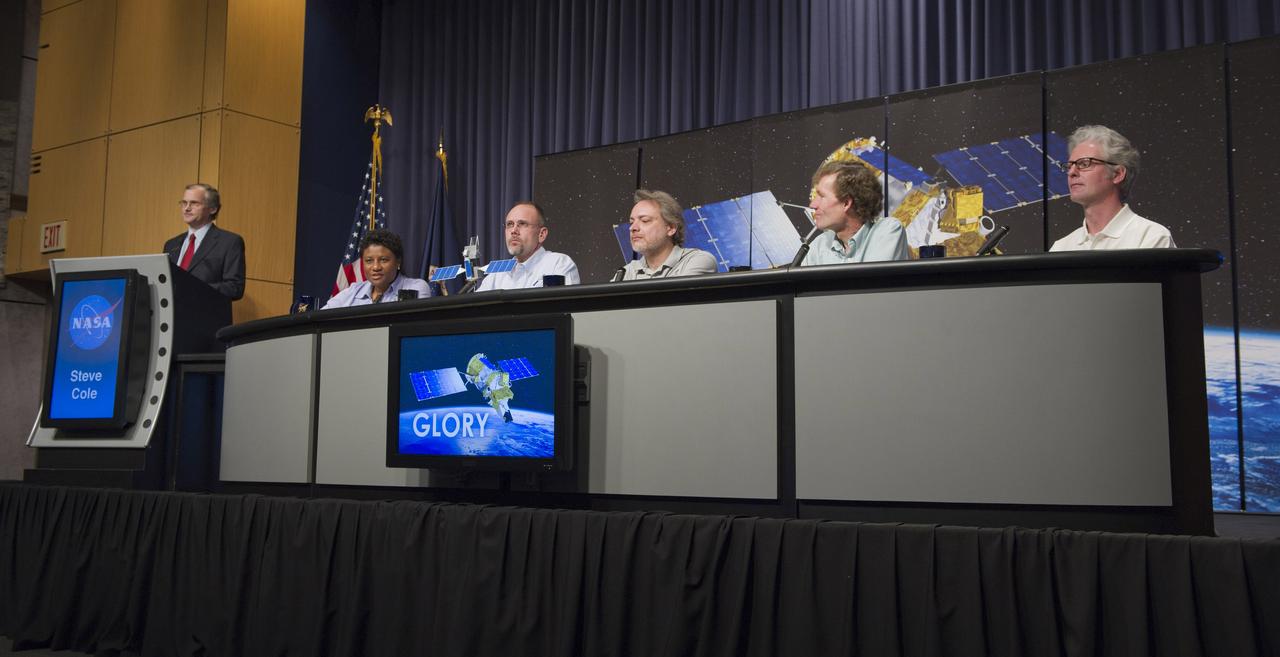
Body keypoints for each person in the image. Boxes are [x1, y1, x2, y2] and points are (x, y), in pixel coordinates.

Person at [1050, 125, 1175, 251]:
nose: (1071, 172)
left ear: (1117, 174)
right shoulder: (1061, 247)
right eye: (1069, 165)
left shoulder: (1150, 237)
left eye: (1084, 163)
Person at [802, 161, 909, 265]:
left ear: (846, 203)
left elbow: (873, 281)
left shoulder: (888, 231)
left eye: (822, 196)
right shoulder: (818, 246)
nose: (813, 205)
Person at [164, 183, 246, 300]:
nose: (187, 208)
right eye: (184, 203)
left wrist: (194, 289)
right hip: (172, 316)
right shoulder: (171, 244)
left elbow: (234, 288)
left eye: (194, 203)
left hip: (206, 315)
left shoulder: (230, 242)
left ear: (213, 208)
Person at [476, 202, 580, 291]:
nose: (514, 231)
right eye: (510, 224)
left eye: (522, 224)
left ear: (541, 234)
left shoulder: (558, 263)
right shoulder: (498, 273)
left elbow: (563, 309)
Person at [620, 189, 718, 280]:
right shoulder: (625, 273)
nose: (633, 228)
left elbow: (673, 297)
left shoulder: (698, 261)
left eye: (645, 221)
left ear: (671, 228)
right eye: (631, 222)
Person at [323, 229, 432, 308]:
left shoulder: (416, 287)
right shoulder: (353, 291)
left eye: (383, 260)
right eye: (369, 261)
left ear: (398, 261)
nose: (375, 267)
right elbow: (319, 318)